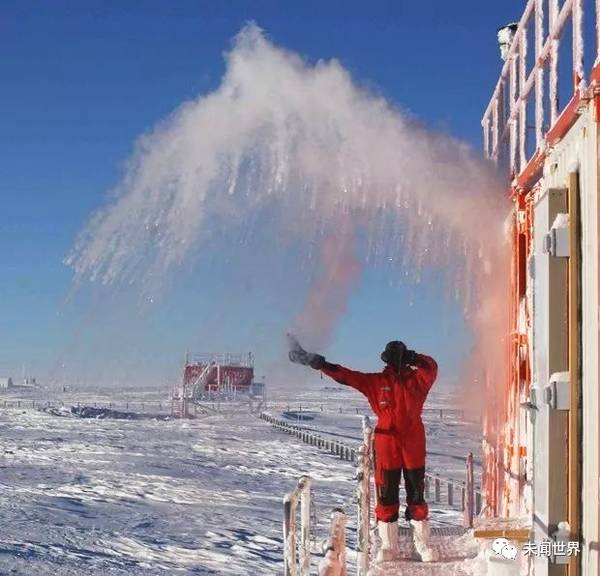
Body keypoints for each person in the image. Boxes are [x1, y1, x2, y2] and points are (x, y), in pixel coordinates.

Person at [288, 337, 438, 563]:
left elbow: (432, 368)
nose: (399, 359)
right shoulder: (376, 382)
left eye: (403, 355)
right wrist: (317, 362)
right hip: (387, 443)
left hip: (413, 441)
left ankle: (422, 544)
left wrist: (416, 358)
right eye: (396, 355)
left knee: (416, 492)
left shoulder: (417, 380)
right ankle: (388, 546)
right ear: (387, 359)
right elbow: (346, 376)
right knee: (386, 493)